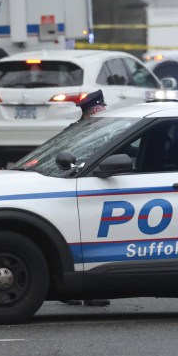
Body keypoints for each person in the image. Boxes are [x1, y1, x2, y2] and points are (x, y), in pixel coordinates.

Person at [61, 88, 111, 308]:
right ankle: (87, 292)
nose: (104, 111)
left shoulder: (77, 130)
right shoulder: (90, 132)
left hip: (82, 192)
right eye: (102, 108)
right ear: (94, 110)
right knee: (87, 243)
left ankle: (72, 292)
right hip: (83, 192)